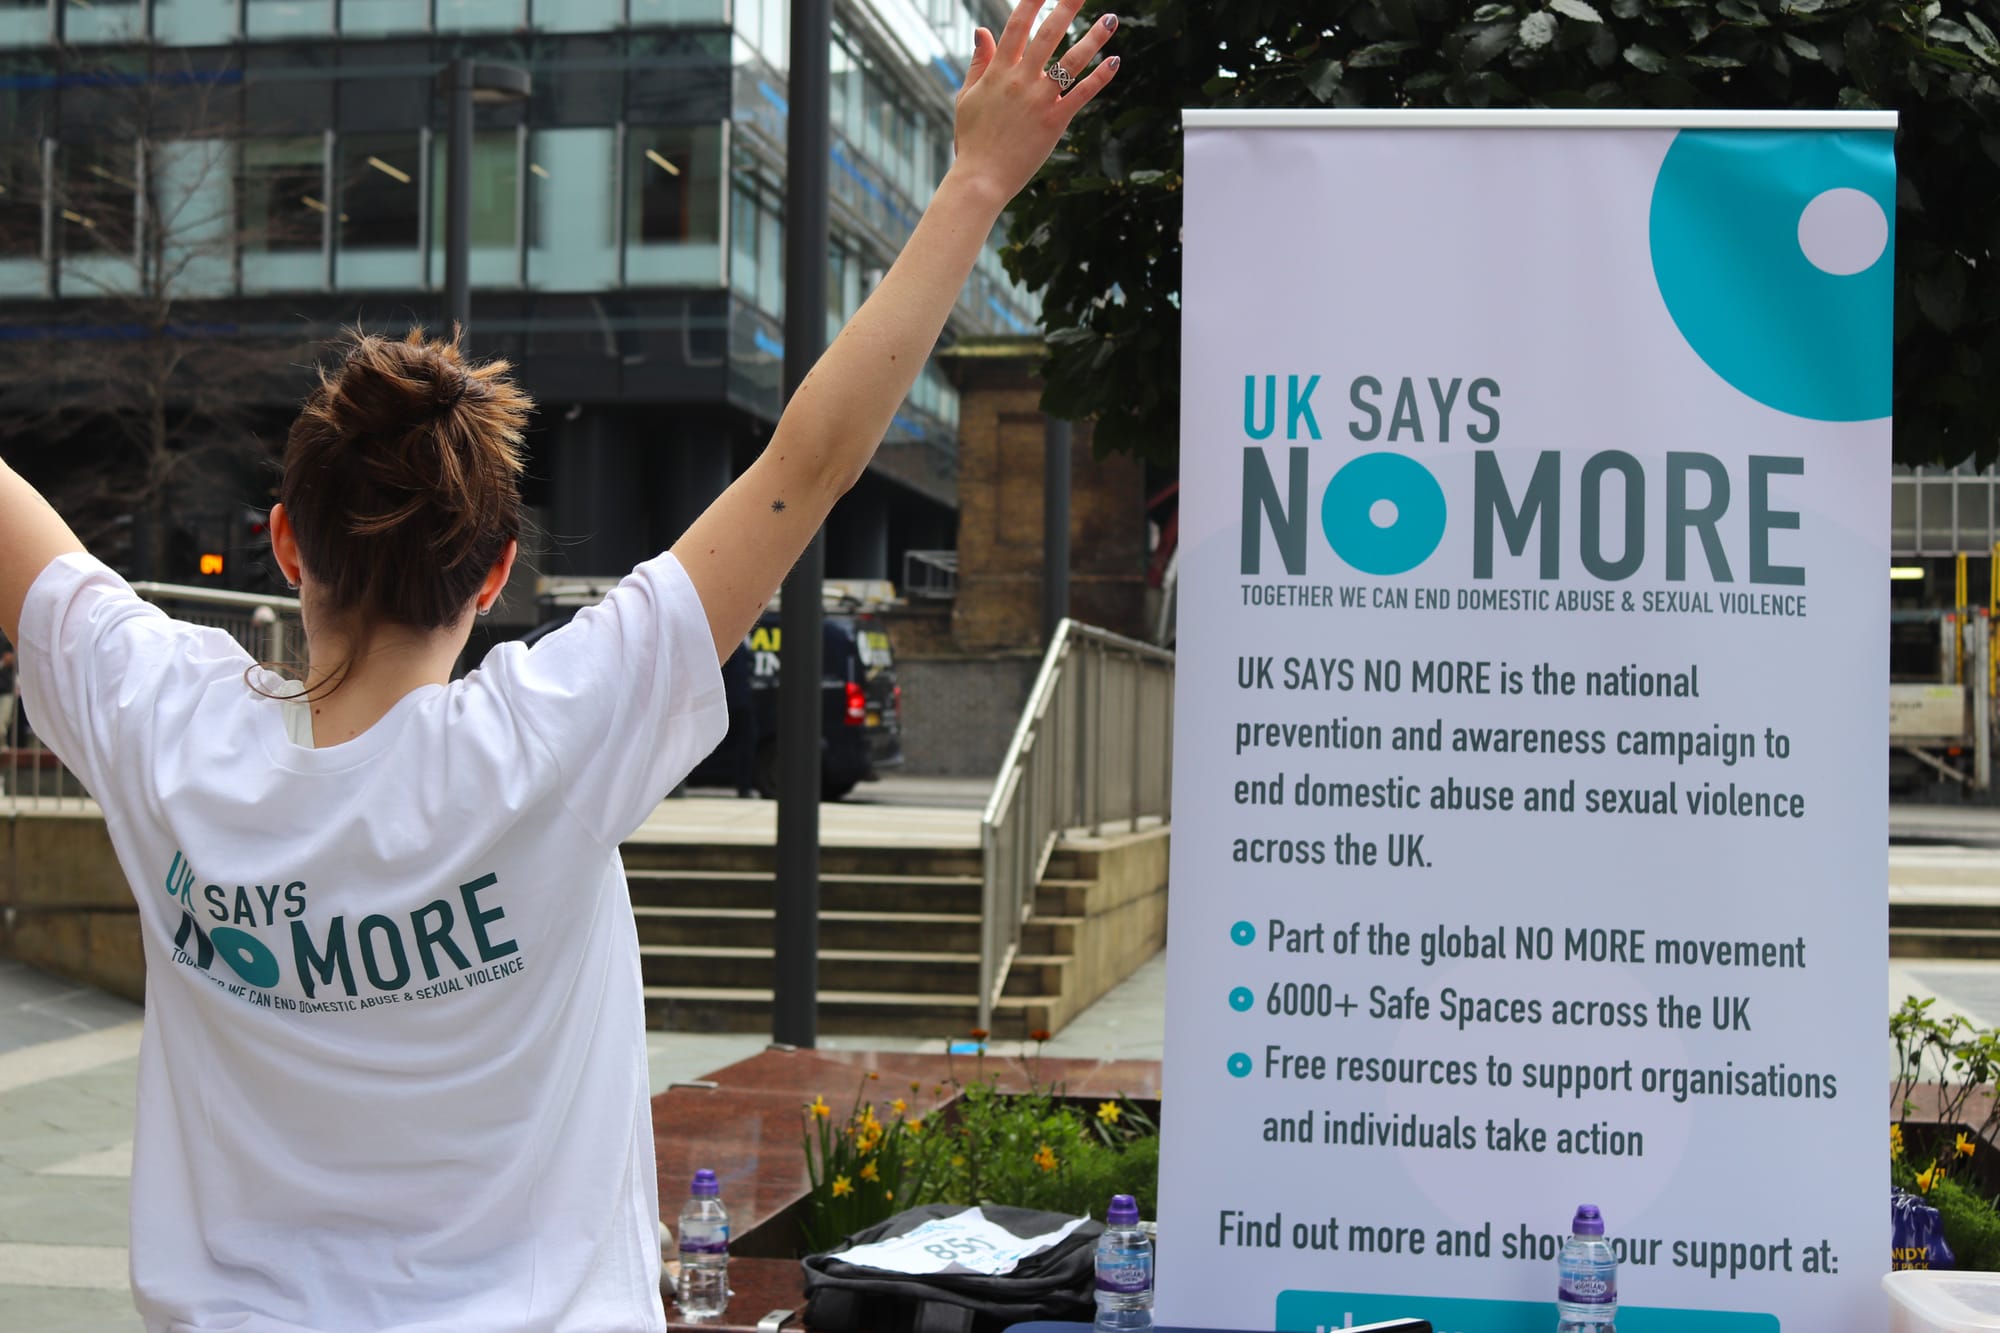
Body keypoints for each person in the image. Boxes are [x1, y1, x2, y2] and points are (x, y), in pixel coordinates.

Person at [0, 5, 1117, 1330]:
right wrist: (976, 180)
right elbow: (807, 465)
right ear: (493, 573)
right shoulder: (547, 736)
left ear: (285, 542)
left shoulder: (163, 723)